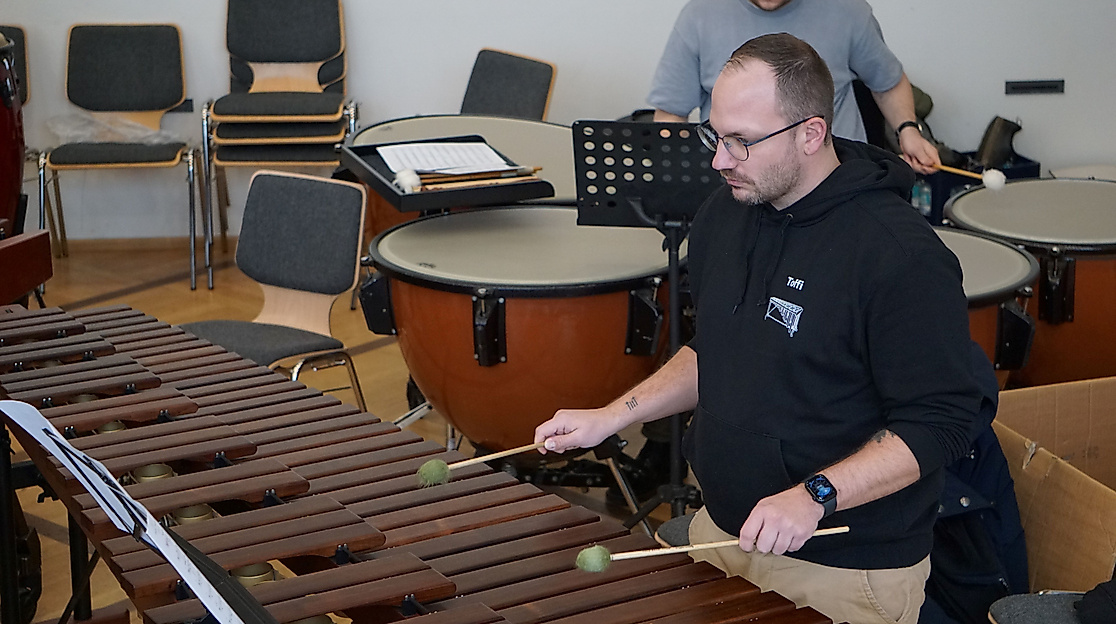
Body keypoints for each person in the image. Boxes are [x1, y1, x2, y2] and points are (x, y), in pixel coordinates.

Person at [536, 33, 980, 624]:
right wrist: (615, 414)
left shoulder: (898, 255)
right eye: (715, 136)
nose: (720, 160)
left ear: (811, 133)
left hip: (842, 567)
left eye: (742, 141)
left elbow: (944, 421)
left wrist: (815, 496)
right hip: (722, 532)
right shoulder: (726, 212)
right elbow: (717, 348)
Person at [647, 0, 942, 175]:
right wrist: (678, 180)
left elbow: (888, 83)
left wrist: (908, 130)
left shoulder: (847, 10)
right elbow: (671, 116)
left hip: (834, 183)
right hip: (738, 186)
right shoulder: (700, 14)